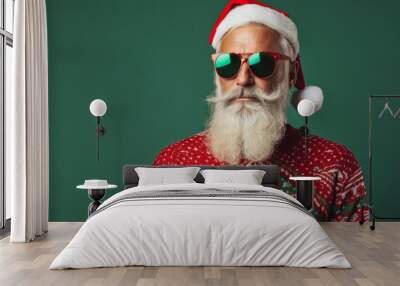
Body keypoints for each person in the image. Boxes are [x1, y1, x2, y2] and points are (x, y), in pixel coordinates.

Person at [153, 0, 367, 222]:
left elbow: (357, 249)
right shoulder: (173, 161)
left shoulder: (333, 164)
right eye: (229, 63)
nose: (243, 79)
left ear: (291, 74)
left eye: (263, 63)